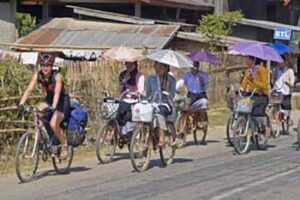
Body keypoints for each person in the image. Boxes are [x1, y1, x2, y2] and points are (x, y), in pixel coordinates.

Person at [18, 53, 71, 159]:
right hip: (49, 98)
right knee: (37, 114)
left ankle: (65, 145)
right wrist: (21, 103)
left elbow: (56, 94)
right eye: (43, 65)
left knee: (53, 123)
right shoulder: (38, 75)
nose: (45, 68)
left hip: (61, 101)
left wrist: (53, 107)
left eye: (47, 66)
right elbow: (29, 90)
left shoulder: (57, 76)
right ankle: (44, 142)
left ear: (51, 66)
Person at [176, 61, 209, 144]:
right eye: (193, 66)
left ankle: (201, 121)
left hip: (201, 94)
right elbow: (181, 83)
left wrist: (202, 82)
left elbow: (206, 86)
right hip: (191, 95)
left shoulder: (203, 75)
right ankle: (185, 127)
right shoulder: (187, 75)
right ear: (190, 67)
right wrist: (174, 88)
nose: (195, 68)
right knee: (185, 109)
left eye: (196, 66)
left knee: (203, 104)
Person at [146, 62, 176, 146]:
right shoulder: (151, 79)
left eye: (160, 67)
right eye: (156, 67)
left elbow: (172, 94)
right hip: (153, 103)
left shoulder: (170, 79)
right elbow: (147, 92)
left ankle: (162, 137)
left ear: (166, 68)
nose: (157, 69)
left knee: (159, 113)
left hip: (165, 103)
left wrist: (166, 92)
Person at [240, 56, 270, 136]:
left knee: (257, 113)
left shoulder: (262, 70)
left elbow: (265, 85)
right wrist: (241, 89)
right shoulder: (248, 71)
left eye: (248, 59)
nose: (246, 61)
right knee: (241, 108)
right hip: (251, 94)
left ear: (253, 60)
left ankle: (264, 127)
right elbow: (244, 82)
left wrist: (254, 80)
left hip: (261, 95)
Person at [117, 61, 145, 147]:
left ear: (135, 65)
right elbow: (120, 88)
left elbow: (141, 89)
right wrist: (124, 83)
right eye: (127, 64)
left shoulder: (139, 75)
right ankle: (121, 134)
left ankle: (131, 134)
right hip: (125, 99)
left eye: (131, 64)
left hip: (135, 100)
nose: (128, 66)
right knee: (117, 113)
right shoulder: (123, 74)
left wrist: (134, 93)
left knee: (129, 114)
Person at [272, 54, 295, 122]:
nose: (279, 63)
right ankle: (276, 118)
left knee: (286, 108)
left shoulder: (289, 71)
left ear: (285, 62)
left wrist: (286, 82)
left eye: (280, 61)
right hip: (277, 91)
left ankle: (287, 118)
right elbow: (273, 80)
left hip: (286, 92)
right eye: (278, 61)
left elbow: (292, 84)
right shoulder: (276, 70)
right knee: (275, 105)